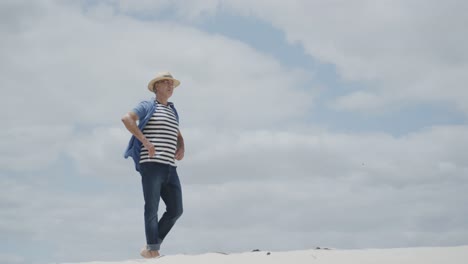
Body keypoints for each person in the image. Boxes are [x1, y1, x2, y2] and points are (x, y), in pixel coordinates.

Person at [121, 71, 185, 258]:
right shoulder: (148, 105)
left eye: (172, 84)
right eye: (166, 83)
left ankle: (151, 246)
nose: (170, 87)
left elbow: (177, 132)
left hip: (169, 166)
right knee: (152, 207)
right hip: (151, 164)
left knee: (176, 209)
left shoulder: (172, 110)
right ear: (156, 86)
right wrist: (145, 142)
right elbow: (127, 119)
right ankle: (153, 250)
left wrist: (182, 146)